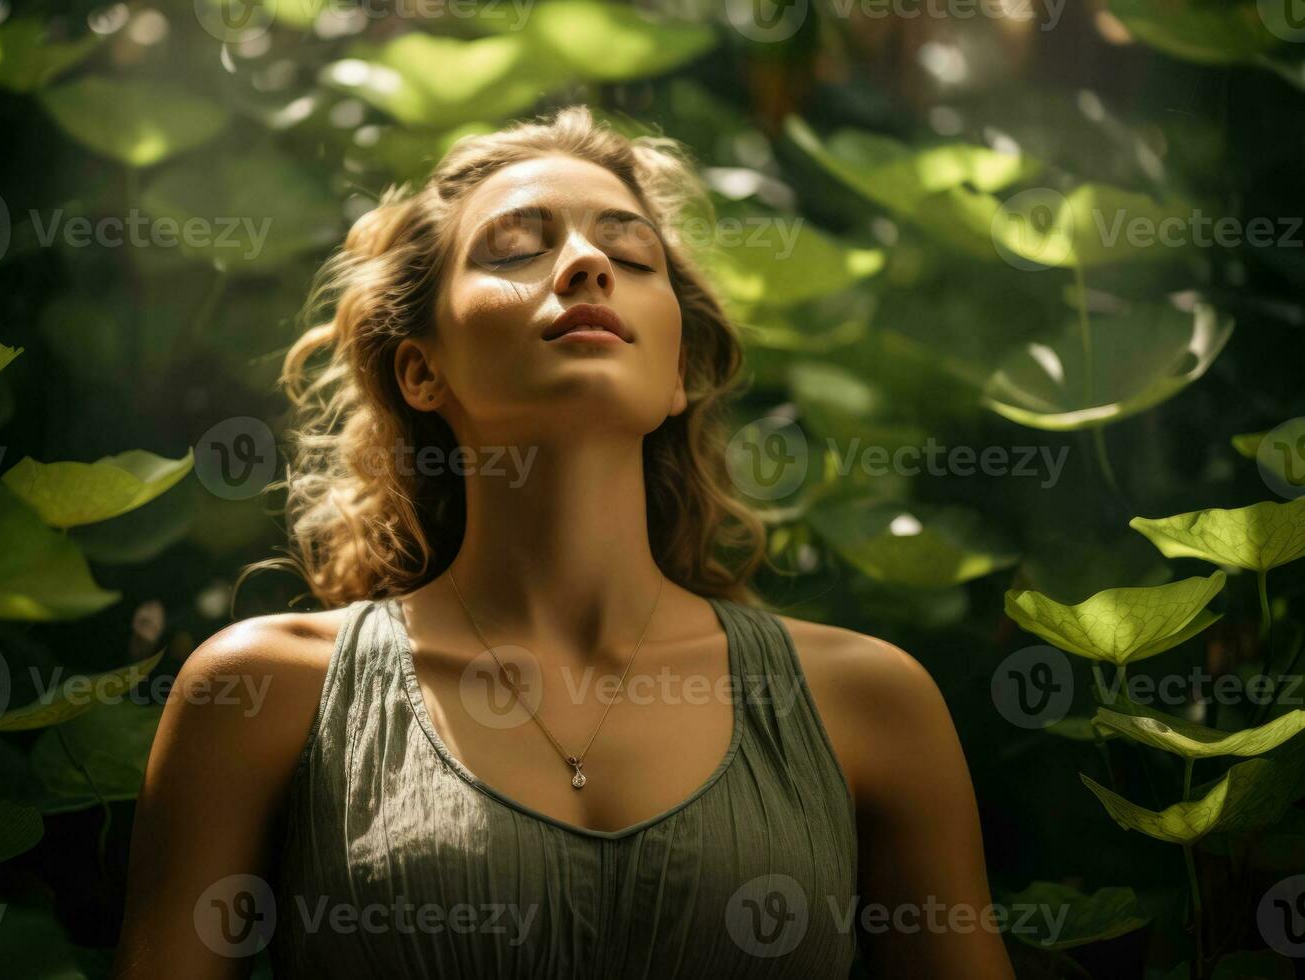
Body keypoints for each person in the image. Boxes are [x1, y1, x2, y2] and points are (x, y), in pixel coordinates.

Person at [112, 105, 1016, 979]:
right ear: (421, 370)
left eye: (630, 252)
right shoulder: (264, 694)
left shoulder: (867, 703)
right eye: (516, 247)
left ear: (677, 377)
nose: (587, 264)